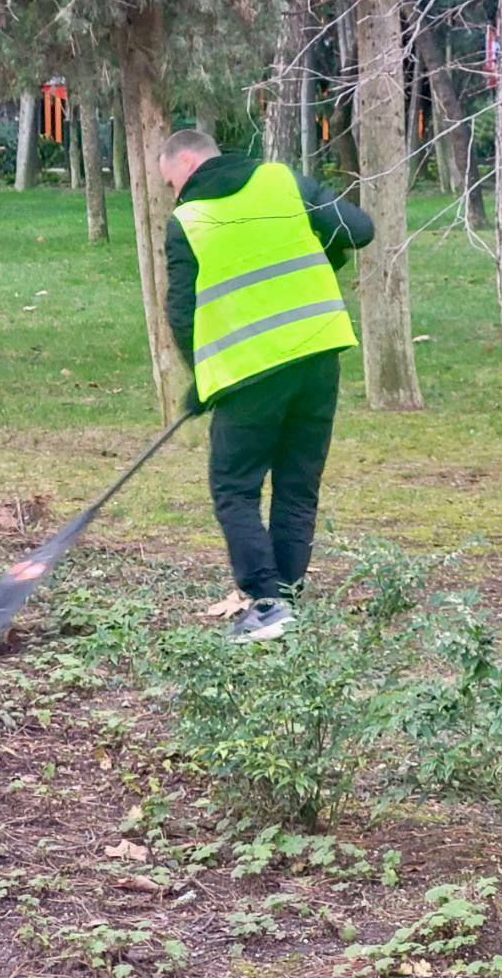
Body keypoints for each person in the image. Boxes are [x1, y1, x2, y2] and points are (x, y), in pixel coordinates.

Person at [160, 130, 374, 643]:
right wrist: (323, 250)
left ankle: (267, 602)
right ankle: (288, 601)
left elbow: (182, 312)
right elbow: (358, 229)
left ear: (186, 161)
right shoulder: (281, 181)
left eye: (170, 182)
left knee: (234, 487)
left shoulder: (189, 220)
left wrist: (204, 379)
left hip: (249, 371)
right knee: (298, 485)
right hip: (318, 353)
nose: (174, 192)